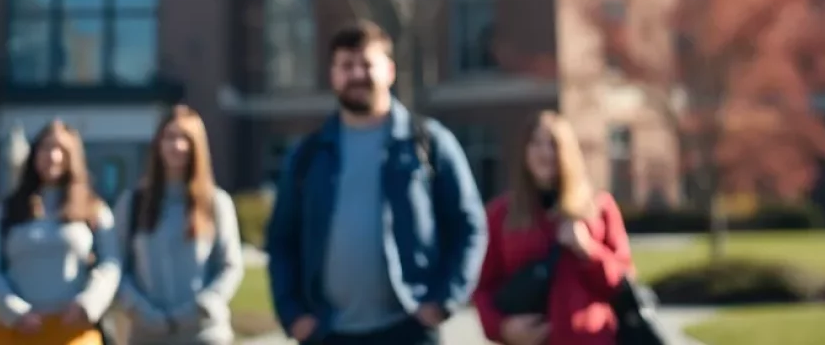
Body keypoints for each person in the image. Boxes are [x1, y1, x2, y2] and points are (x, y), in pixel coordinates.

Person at [266, 20, 488, 345]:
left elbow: (470, 225)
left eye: (367, 64)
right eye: (346, 65)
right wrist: (293, 315)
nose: (357, 74)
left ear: (390, 71)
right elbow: (281, 239)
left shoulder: (428, 142)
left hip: (409, 330)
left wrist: (444, 300)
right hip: (328, 333)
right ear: (333, 75)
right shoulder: (308, 155)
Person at [473, 111, 633, 345]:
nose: (545, 152)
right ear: (524, 152)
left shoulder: (599, 208)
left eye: (553, 144)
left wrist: (588, 250)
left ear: (569, 151)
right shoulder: (501, 214)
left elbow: (623, 281)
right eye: (535, 143)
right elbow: (483, 289)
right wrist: (503, 328)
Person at [0, 119, 121, 345]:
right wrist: (15, 312)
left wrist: (88, 304)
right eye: (46, 148)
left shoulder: (94, 209)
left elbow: (111, 264)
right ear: (34, 153)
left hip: (73, 330)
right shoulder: (4, 210)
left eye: (62, 150)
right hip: (18, 331)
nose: (53, 156)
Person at [113, 105, 244, 345]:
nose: (177, 146)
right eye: (170, 137)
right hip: (147, 333)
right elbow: (118, 267)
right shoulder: (133, 203)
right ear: (158, 144)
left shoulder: (216, 203)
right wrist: (140, 308)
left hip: (203, 332)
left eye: (185, 138)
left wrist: (203, 305)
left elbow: (230, 265)